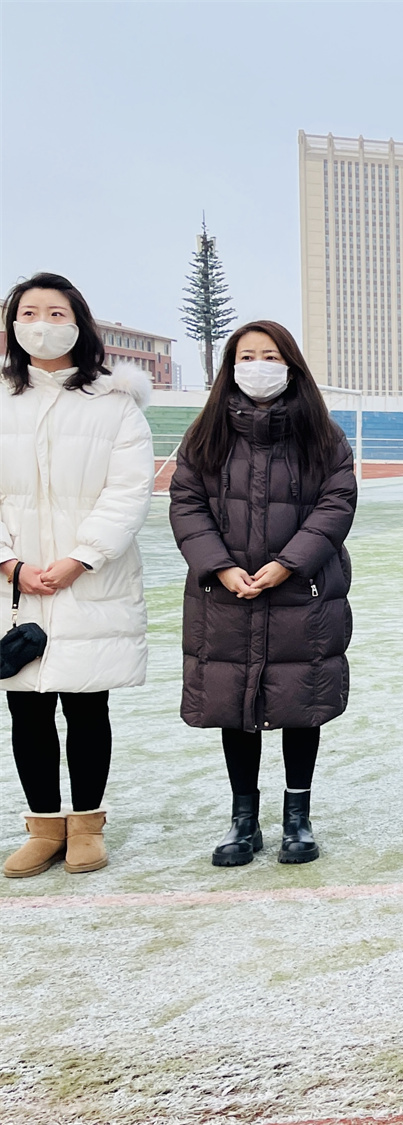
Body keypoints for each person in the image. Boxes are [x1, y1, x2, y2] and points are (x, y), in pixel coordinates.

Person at [170, 320, 355, 867]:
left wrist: (288, 564)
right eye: (246, 356)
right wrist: (220, 566)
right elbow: (187, 504)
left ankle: (298, 817)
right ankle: (243, 819)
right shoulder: (205, 434)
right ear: (231, 367)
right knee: (235, 703)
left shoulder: (322, 434)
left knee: (300, 701)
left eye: (270, 356)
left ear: (291, 366)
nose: (258, 366)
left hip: (302, 592)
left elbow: (336, 503)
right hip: (225, 594)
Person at [0, 274, 152, 880]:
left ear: (79, 323)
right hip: (14, 583)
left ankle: (86, 824)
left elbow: (128, 492)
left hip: (91, 579)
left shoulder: (114, 403)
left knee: (88, 704)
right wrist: (9, 562)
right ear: (13, 325)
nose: (41, 323)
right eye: (28, 312)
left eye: (55, 312)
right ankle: (43, 826)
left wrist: (81, 558)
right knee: (26, 708)